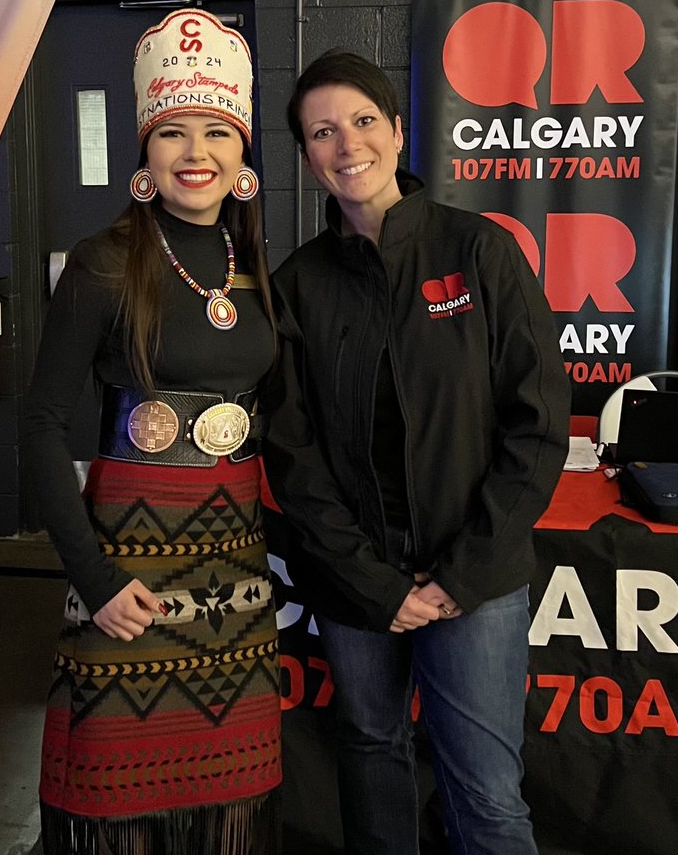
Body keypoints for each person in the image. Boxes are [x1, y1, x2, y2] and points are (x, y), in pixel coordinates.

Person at [263, 49, 570, 855]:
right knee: (371, 756)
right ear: (305, 155)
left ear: (398, 131)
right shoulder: (297, 286)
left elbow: (537, 425)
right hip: (359, 584)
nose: (346, 144)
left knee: (485, 793)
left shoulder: (480, 254)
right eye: (322, 131)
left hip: (475, 581)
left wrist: (461, 575)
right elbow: (293, 455)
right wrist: (374, 583)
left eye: (362, 121)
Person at [24, 9, 281, 855]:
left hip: (234, 576)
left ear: (243, 155)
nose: (196, 152)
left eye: (216, 131)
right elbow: (43, 423)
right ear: (146, 153)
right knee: (115, 808)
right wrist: (93, 579)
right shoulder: (104, 262)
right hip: (126, 571)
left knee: (228, 807)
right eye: (173, 132)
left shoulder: (252, 263)